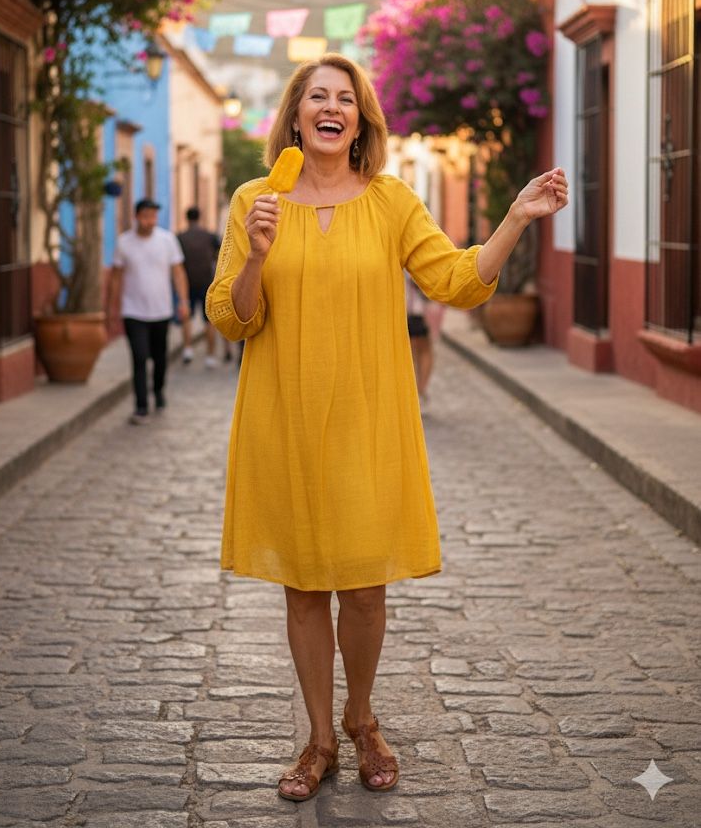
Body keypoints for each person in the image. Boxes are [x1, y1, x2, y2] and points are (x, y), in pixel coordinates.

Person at [205, 53, 568, 802]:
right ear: (297, 117)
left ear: (359, 118)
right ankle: (317, 740)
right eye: (316, 97)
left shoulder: (391, 200)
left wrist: (513, 219)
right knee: (302, 590)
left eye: (344, 97)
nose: (330, 107)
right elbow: (231, 319)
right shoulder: (254, 201)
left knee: (363, 589)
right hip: (285, 417)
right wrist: (257, 258)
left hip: (368, 419)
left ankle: (361, 717)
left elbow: (455, 282)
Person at [107, 198, 189, 425]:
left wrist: (182, 301)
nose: (150, 221)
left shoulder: (167, 240)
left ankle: (159, 390)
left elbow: (178, 273)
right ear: (136, 217)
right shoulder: (124, 243)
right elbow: (115, 277)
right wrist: (110, 309)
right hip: (133, 311)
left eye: (153, 216)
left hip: (161, 311)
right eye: (146, 216)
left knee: (160, 358)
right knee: (139, 357)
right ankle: (141, 406)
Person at [177, 205, 220, 368]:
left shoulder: (180, 237)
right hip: (207, 282)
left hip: (187, 282)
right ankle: (210, 356)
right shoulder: (209, 236)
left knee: (186, 317)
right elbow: (221, 252)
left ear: (186, 218)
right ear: (199, 217)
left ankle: (188, 348)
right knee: (209, 321)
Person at [406, 272, 433, 407]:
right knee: (421, 351)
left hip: (409, 309)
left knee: (416, 351)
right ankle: (419, 391)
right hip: (415, 309)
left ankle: (418, 391)